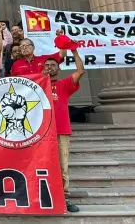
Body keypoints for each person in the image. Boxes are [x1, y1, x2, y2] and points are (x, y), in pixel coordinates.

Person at [43, 48, 85, 213]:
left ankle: (64, 198)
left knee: (62, 166)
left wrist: (74, 52)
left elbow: (80, 71)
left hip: (61, 131)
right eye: (46, 65)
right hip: (42, 133)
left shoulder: (64, 84)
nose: (49, 67)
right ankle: (45, 196)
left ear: (58, 68)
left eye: (53, 65)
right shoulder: (35, 86)